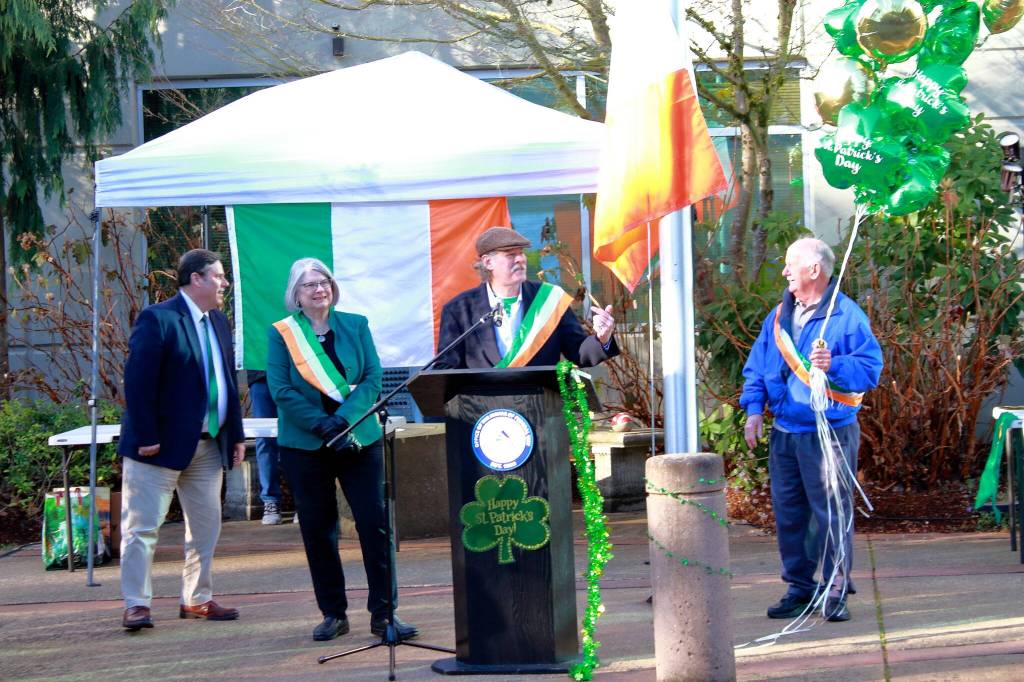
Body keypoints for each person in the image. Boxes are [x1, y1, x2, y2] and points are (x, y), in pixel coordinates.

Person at [266, 258, 417, 643]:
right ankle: (333, 614)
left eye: (324, 282)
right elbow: (280, 389)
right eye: (309, 285)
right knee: (319, 531)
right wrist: (320, 422)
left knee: (374, 525)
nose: (319, 290)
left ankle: (384, 616)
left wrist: (343, 419)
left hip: (358, 439)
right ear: (295, 295)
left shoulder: (356, 325)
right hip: (305, 444)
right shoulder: (282, 333)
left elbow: (372, 378)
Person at [740, 237, 882, 623]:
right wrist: (754, 410)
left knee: (832, 513)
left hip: (829, 433)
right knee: (789, 515)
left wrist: (834, 364)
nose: (784, 271)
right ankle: (800, 588)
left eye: (790, 264)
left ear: (814, 270)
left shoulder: (847, 316)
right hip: (785, 431)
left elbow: (871, 370)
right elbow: (756, 366)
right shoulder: (777, 317)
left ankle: (835, 589)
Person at [118, 249, 246, 631]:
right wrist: (145, 436)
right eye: (219, 277)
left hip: (208, 446)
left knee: (206, 528)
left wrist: (235, 434)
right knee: (141, 529)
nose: (224, 284)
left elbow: (225, 381)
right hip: (155, 448)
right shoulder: (158, 319)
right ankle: (136, 604)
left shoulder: (219, 321)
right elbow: (138, 383)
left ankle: (197, 599)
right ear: (196, 279)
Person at [434, 226, 618, 369]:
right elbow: (447, 367)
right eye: (511, 255)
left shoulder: (549, 299)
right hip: (482, 412)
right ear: (488, 262)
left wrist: (602, 339)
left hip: (541, 409)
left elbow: (579, 352)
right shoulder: (459, 309)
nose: (520, 259)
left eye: (521, 253)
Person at [246, 369, 284, 525]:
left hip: (293, 373)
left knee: (295, 436)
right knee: (264, 436)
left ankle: (300, 501)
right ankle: (270, 500)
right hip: (260, 374)